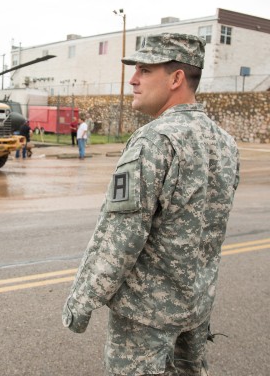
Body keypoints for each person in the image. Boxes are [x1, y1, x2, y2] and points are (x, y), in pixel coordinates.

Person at [62, 33, 240, 376]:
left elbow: (120, 237)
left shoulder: (155, 140)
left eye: (144, 70)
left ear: (176, 79)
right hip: (195, 308)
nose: (133, 79)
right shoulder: (226, 143)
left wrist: (82, 300)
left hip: (146, 317)